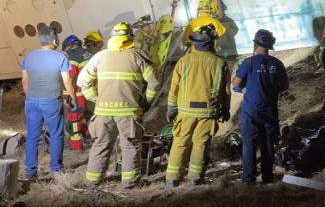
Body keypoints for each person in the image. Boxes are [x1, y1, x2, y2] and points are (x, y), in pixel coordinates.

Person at [77, 22, 160, 188]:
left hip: (102, 112)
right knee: (130, 146)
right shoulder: (137, 56)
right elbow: (154, 84)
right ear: (130, 38)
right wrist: (146, 103)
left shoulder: (100, 57)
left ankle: (93, 181)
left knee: (100, 145)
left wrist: (95, 98)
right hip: (128, 112)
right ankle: (129, 183)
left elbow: (82, 81)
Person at [165, 25, 230, 188]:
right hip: (208, 112)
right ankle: (194, 178)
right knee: (200, 143)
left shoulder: (184, 61)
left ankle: (172, 178)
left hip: (185, 112)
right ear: (212, 43)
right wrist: (225, 109)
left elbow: (174, 88)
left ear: (194, 43)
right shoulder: (220, 63)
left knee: (180, 142)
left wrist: (171, 109)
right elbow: (225, 91)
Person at [232, 29, 288, 184]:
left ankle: (248, 180)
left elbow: (235, 84)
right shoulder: (278, 64)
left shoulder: (249, 62)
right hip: (270, 110)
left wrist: (246, 85)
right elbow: (284, 86)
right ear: (269, 46)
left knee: (249, 144)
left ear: (255, 44)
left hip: (251, 111)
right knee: (268, 145)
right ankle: (267, 178)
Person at [21, 27, 77, 179]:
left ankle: (30, 171)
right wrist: (73, 99)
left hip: (32, 101)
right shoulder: (61, 58)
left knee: (32, 136)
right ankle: (56, 169)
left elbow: (25, 81)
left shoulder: (28, 57)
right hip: (52, 101)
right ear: (54, 40)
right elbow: (67, 82)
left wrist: (30, 97)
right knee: (56, 135)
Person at [61, 35, 93, 151]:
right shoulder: (89, 54)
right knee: (84, 116)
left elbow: (70, 78)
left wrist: (66, 96)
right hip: (90, 92)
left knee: (74, 117)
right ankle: (87, 136)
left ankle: (76, 143)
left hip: (78, 93)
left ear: (70, 46)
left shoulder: (72, 57)